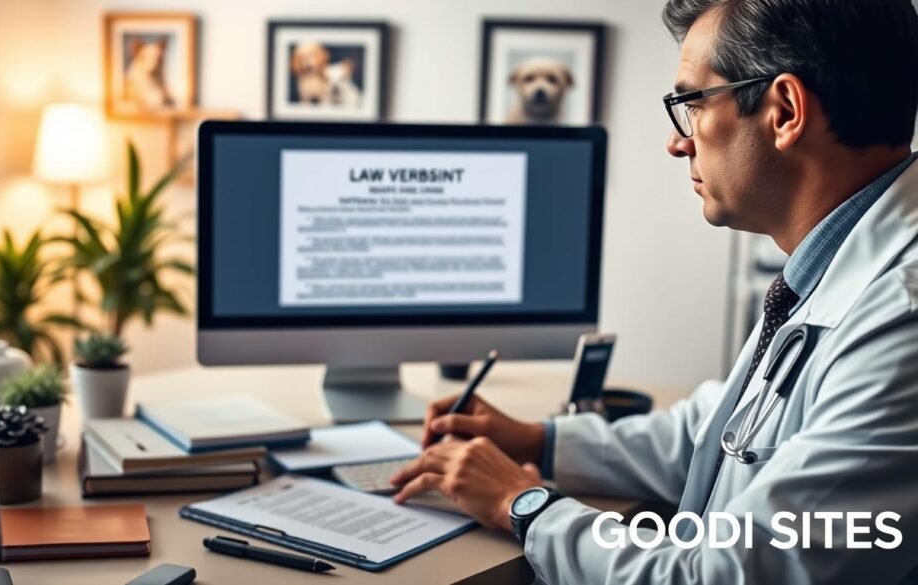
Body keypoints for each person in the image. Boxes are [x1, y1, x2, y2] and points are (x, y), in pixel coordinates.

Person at [390, 0, 918, 582]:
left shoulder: (901, 321)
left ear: (785, 111)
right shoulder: (830, 269)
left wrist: (525, 504)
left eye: (692, 103)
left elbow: (728, 575)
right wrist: (539, 440)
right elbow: (721, 434)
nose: (678, 143)